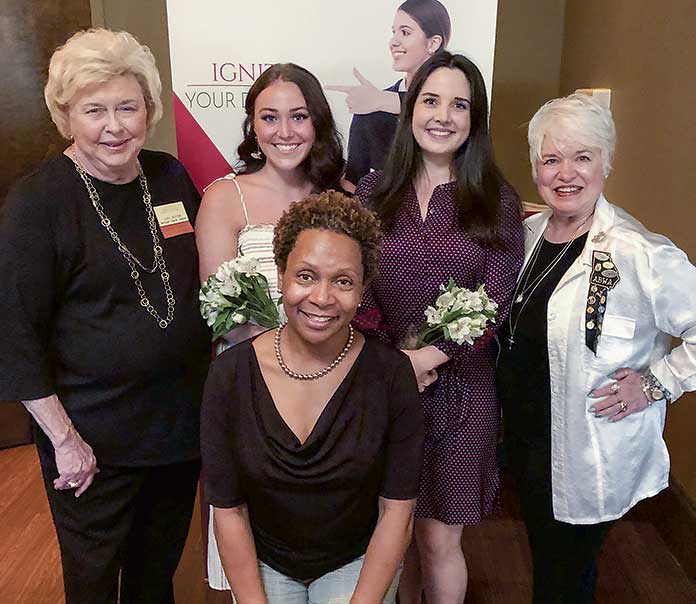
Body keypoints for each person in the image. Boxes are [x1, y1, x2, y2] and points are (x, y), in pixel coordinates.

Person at [0, 28, 210, 604]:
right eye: (94, 110)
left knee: (157, 570)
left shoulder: (168, 177)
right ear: (66, 118)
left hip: (175, 427)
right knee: (93, 580)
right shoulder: (37, 204)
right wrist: (64, 441)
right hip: (91, 441)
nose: (114, 126)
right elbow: (13, 335)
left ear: (149, 109)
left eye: (127, 107)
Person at [496, 92, 696, 603]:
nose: (566, 173)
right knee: (548, 559)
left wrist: (657, 383)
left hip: (589, 450)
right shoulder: (528, 234)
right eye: (551, 158)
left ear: (607, 162)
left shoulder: (637, 252)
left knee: (566, 574)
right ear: (535, 168)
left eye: (583, 157)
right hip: (528, 440)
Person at [355, 52, 523, 604]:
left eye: (460, 104)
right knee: (393, 533)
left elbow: (495, 298)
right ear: (410, 108)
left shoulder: (495, 199)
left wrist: (431, 355)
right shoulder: (373, 192)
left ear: (475, 120)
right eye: (431, 100)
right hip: (385, 387)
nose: (443, 115)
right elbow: (355, 289)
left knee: (437, 539)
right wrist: (394, 359)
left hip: (463, 395)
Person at [200, 191, 424, 604]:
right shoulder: (229, 377)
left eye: (342, 281)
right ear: (281, 274)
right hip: (264, 560)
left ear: (362, 288)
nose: (322, 299)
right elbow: (228, 511)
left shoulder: (391, 376)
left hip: (355, 560)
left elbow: (397, 512)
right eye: (305, 276)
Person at [194, 62, 347, 591]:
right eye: (270, 117)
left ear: (318, 121)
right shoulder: (224, 198)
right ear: (253, 127)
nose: (285, 131)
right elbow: (218, 308)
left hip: (334, 390)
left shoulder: (343, 196)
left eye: (299, 116)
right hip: (252, 389)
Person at [329, 0, 451, 185]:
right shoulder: (371, 107)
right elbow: (354, 183)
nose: (394, 42)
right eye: (394, 32)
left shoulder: (458, 107)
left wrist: (386, 100)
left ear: (433, 43)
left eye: (405, 32)